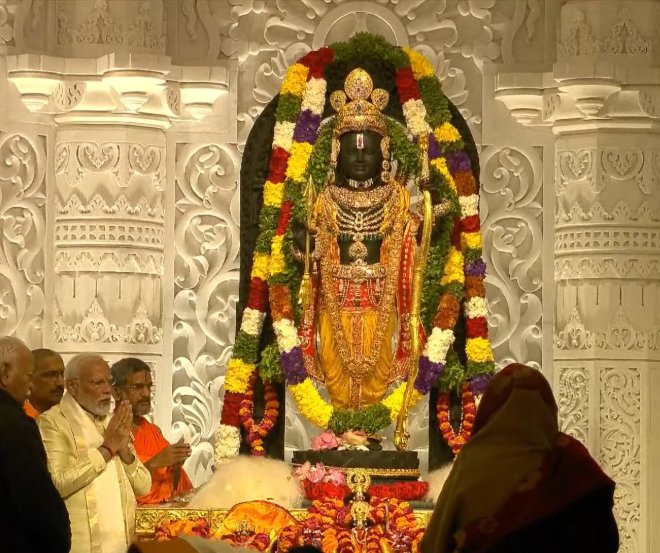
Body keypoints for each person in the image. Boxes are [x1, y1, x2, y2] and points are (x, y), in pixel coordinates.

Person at [420, 363, 619, 553]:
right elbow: (605, 538)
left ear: (491, 409)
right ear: (548, 407)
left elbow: (436, 541)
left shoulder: (472, 464)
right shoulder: (570, 459)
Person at [38, 353, 152, 553]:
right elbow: (57, 484)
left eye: (109, 382)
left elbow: (144, 486)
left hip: (123, 544)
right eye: (98, 383)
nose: (107, 390)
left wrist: (124, 450)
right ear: (72, 386)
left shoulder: (112, 422)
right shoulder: (53, 422)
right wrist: (107, 449)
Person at [0, 336, 71, 553]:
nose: (30, 387)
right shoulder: (13, 424)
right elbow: (35, 500)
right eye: (29, 376)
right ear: (5, 373)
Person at [111, 357, 193, 504]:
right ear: (116, 392)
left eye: (149, 387)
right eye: (137, 387)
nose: (146, 394)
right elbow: (116, 488)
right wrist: (156, 463)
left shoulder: (153, 430)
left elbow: (173, 490)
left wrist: (174, 467)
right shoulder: (109, 431)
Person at [24, 347, 65, 418]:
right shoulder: (15, 418)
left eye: (62, 374)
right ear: (30, 379)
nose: (60, 383)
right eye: (51, 375)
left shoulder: (72, 417)